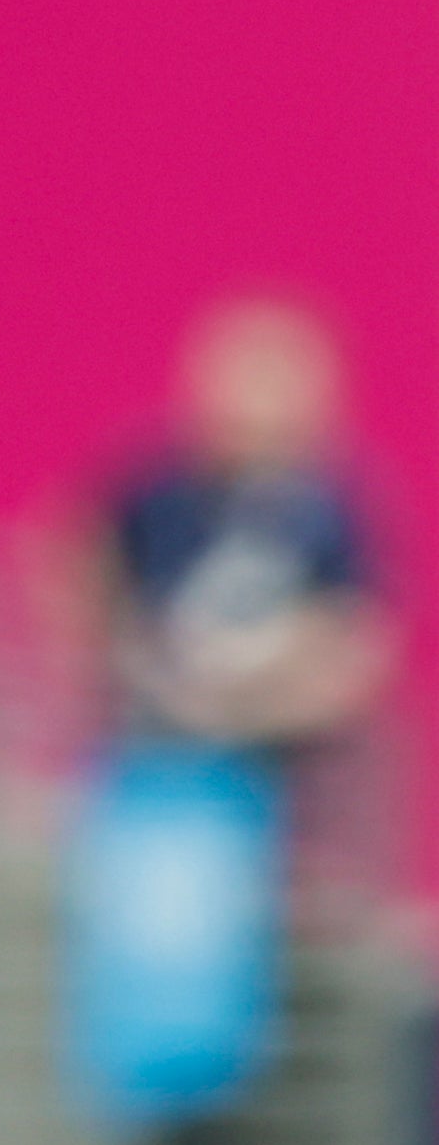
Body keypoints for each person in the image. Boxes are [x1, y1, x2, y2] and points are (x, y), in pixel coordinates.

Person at [66, 295, 395, 850]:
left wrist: (271, 702)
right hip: (146, 743)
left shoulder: (331, 512)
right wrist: (118, 654)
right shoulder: (160, 485)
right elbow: (80, 553)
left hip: (266, 771)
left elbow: (359, 640)